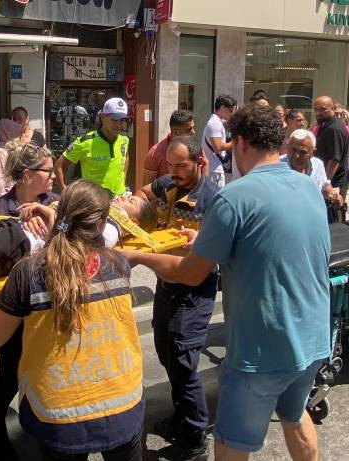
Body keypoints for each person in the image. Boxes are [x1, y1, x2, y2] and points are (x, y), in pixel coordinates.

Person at [121, 105, 330, 461]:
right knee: (294, 416)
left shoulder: (234, 197)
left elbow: (190, 273)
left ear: (242, 143)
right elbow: (268, 241)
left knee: (230, 443)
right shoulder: (307, 186)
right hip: (313, 339)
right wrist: (200, 237)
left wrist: (136, 257)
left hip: (262, 351)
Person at [0, 179, 144, 461]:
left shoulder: (28, 272)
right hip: (122, 406)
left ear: (61, 214)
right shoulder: (117, 264)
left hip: (59, 415)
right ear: (102, 224)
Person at [135, 136, 219, 461]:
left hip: (195, 289)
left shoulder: (213, 199)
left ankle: (196, 436)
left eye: (180, 165)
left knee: (182, 359)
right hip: (166, 285)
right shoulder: (169, 183)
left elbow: (219, 251)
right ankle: (183, 415)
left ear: (199, 163)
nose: (173, 171)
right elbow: (144, 193)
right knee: (165, 352)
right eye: (169, 165)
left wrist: (201, 240)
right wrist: (143, 212)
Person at [0, 141, 59, 460]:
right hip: (11, 312)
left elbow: (76, 247)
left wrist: (51, 218)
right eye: (47, 171)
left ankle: (43, 431)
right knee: (10, 373)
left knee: (46, 372)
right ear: (27, 175)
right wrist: (15, 231)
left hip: (50, 310)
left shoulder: (55, 204)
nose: (53, 176)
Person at [55, 97, 130, 196]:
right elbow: (59, 165)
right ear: (103, 117)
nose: (118, 124)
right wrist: (65, 192)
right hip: (94, 203)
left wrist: (123, 183)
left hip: (119, 200)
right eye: (114, 120)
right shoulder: (86, 142)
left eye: (122, 120)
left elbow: (125, 158)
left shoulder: (124, 140)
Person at [143, 110, 210, 186]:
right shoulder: (156, 152)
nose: (193, 132)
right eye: (189, 129)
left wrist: (202, 190)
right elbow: (147, 184)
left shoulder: (193, 147)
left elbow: (205, 163)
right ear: (177, 132)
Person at [312, 96, 349, 222]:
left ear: (332, 108)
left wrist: (325, 184)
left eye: (322, 109)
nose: (318, 113)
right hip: (328, 183)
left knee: (332, 223)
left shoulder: (334, 128)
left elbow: (334, 160)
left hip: (333, 184)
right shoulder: (325, 125)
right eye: (316, 109)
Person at [281, 129, 340, 204]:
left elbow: (324, 187)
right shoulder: (277, 165)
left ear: (313, 152)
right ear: (287, 146)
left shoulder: (317, 164)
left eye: (303, 152)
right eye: (293, 150)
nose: (297, 156)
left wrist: (334, 195)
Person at [202, 95, 236, 187]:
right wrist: (233, 144)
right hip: (214, 169)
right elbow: (217, 147)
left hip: (214, 168)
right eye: (231, 110)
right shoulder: (215, 123)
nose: (232, 113)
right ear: (222, 107)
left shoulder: (216, 122)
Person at [0, 118, 27, 198]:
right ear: (7, 132)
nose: (18, 135)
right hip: (7, 199)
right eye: (15, 132)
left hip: (16, 196)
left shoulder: (10, 148)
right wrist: (2, 204)